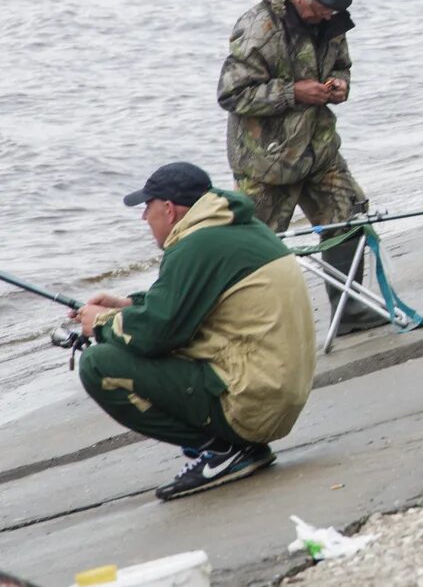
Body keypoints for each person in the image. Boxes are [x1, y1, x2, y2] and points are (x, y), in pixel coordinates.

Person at [75, 162, 315, 501]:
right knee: (138, 341)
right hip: (276, 393)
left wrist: (99, 323)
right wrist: (126, 306)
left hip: (252, 405)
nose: (145, 217)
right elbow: (185, 305)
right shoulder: (237, 227)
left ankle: (222, 450)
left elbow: (156, 335)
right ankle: (236, 449)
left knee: (98, 364)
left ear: (169, 210)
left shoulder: (196, 245)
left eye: (148, 207)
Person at [217, 0, 388, 335]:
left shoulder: (331, 20)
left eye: (334, 11)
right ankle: (238, 330)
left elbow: (341, 63)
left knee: (348, 213)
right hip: (267, 162)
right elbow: (231, 95)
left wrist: (340, 84)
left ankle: (351, 311)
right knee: (250, 247)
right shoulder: (259, 28)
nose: (329, 17)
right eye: (323, 9)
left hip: (319, 149)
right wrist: (293, 93)